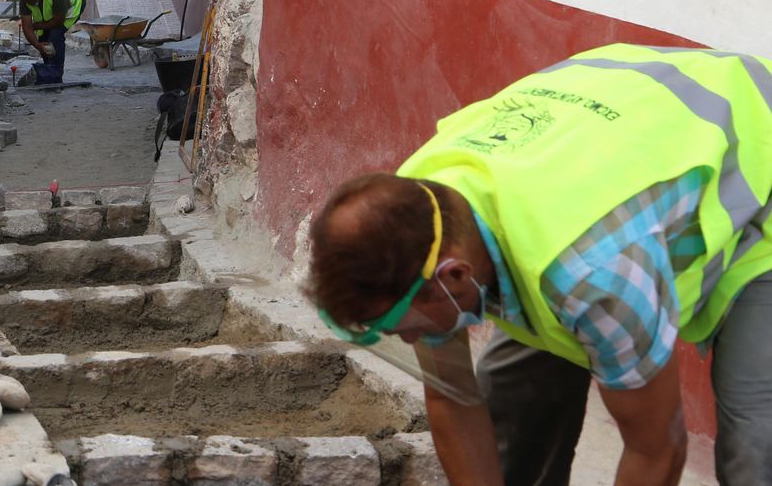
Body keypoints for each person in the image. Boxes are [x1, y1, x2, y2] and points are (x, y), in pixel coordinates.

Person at [305, 43, 772, 486]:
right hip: (630, 124)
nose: (409, 339)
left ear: (454, 275)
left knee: (755, 452)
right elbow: (452, 395)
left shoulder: (596, 275)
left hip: (756, 155)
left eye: (401, 326)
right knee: (514, 408)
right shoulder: (419, 209)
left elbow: (656, 450)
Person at [17, 0, 85, 84]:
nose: (24, 0)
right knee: (43, 39)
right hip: (55, 10)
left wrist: (37, 26)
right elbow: (27, 27)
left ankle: (56, 76)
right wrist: (38, 45)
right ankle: (48, 71)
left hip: (75, 2)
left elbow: (57, 22)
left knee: (55, 35)